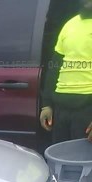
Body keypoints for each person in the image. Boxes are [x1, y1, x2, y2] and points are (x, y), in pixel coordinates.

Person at [40, 0, 92, 143]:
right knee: (62, 158)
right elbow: (55, 67)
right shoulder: (70, 25)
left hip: (87, 108)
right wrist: (47, 105)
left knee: (84, 162)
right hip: (61, 109)